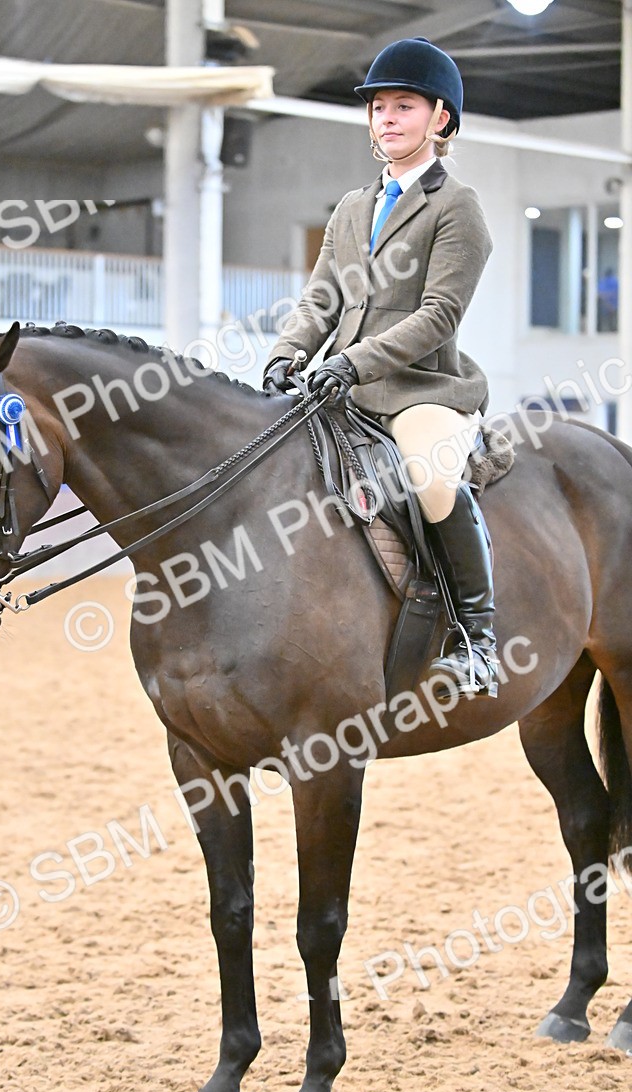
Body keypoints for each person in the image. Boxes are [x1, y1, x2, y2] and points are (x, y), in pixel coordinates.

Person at [263, 37, 498, 698]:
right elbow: (321, 299)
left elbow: (439, 316)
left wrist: (350, 362)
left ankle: (477, 639)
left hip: (423, 392)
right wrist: (287, 354)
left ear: (440, 119)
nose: (387, 118)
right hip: (343, 389)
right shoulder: (350, 209)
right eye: (379, 108)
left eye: (404, 106)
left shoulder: (457, 208)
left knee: (428, 475)